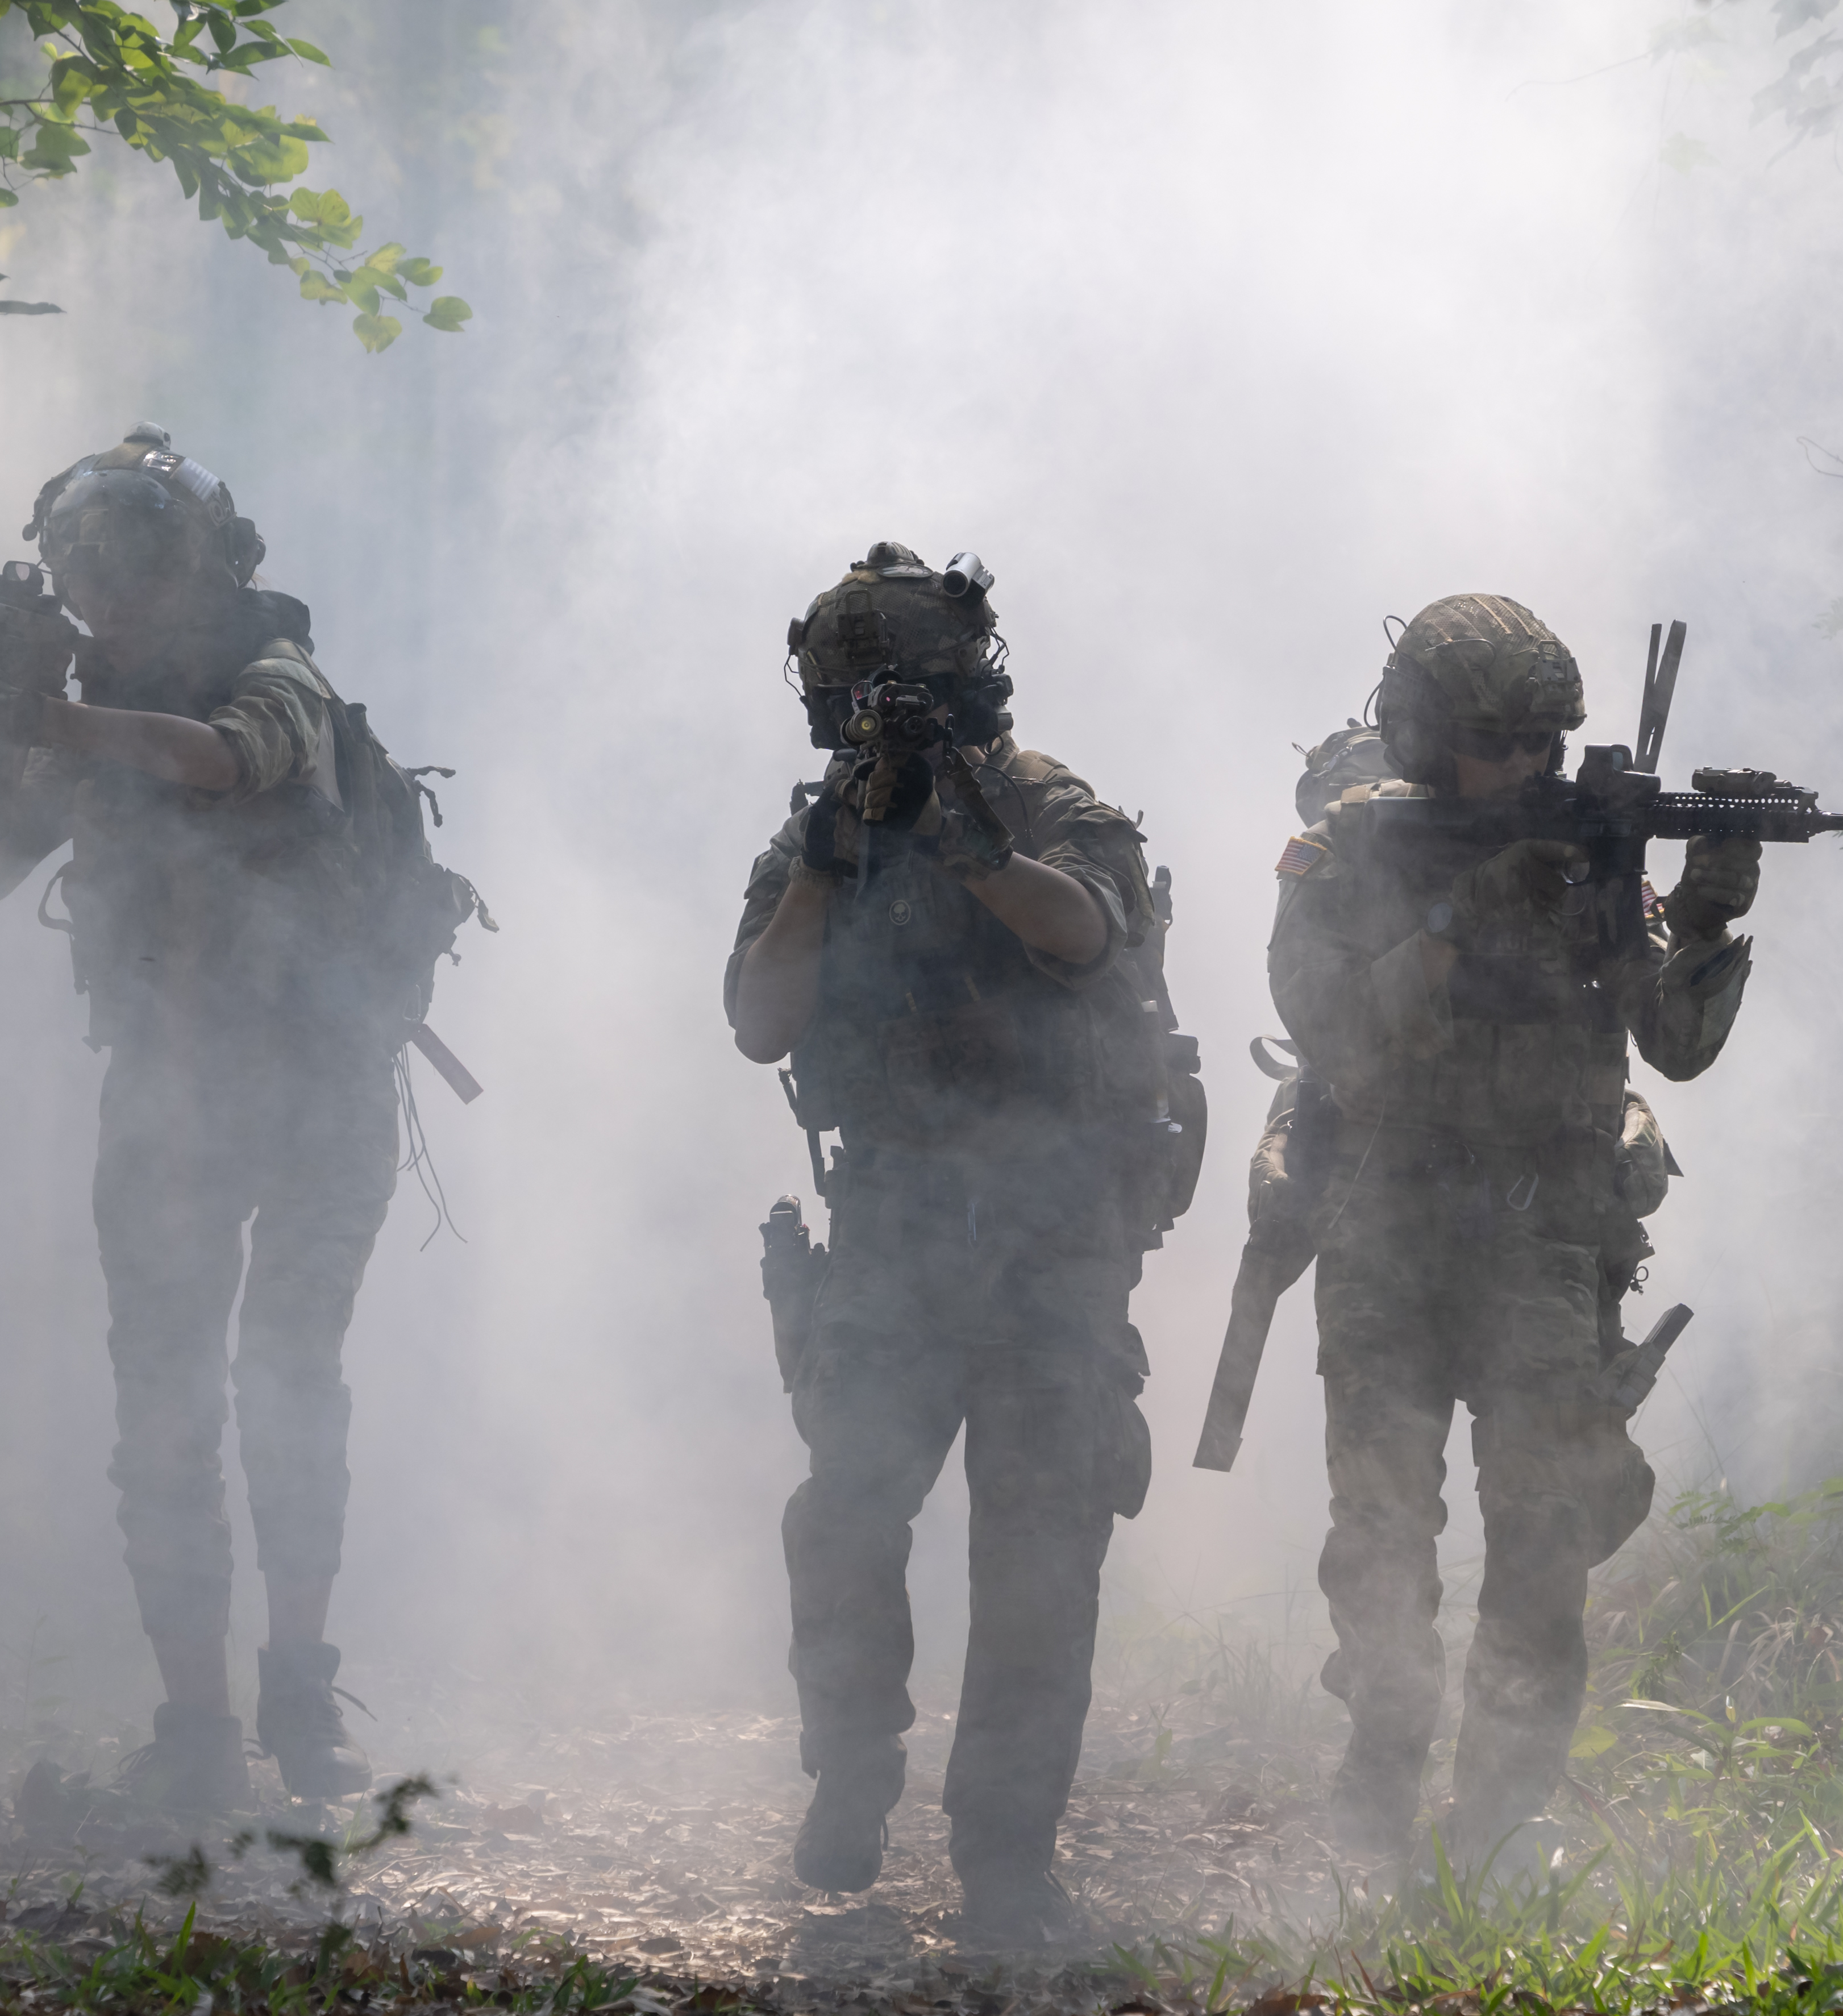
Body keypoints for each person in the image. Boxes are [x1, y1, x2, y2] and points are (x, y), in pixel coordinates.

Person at [0, 424, 478, 1814]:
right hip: (169, 1092)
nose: (110, 584)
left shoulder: (274, 671)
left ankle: (300, 1695)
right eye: (87, 561)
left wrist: (50, 720)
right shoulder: (97, 704)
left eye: (134, 555)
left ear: (201, 561)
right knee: (163, 1412)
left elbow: (230, 762)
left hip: (314, 1086)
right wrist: (11, 743)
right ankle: (194, 1727)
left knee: (289, 1387)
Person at [725, 542, 1188, 1943]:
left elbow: (1087, 933)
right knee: (844, 1515)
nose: (882, 726)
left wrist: (973, 844)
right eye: (858, 704)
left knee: (1041, 1555)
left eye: (903, 699)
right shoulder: (819, 835)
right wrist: (828, 856)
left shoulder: (1057, 809)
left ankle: (1006, 1857)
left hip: (1054, 1235)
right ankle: (855, 1764)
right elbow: (761, 1020)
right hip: (895, 1227)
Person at [1264, 594, 1757, 1872]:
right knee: (1383, 1535)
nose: (1534, 765)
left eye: (1550, 739)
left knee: (1544, 1537)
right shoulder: (1351, 858)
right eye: (1503, 740)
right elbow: (1340, 1035)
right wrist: (1457, 910)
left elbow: (1680, 1048)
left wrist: (1701, 916)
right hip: (1389, 1229)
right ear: (1429, 738)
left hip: (1543, 1242)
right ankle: (1381, 1771)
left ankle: (1494, 1827)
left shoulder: (1588, 861)